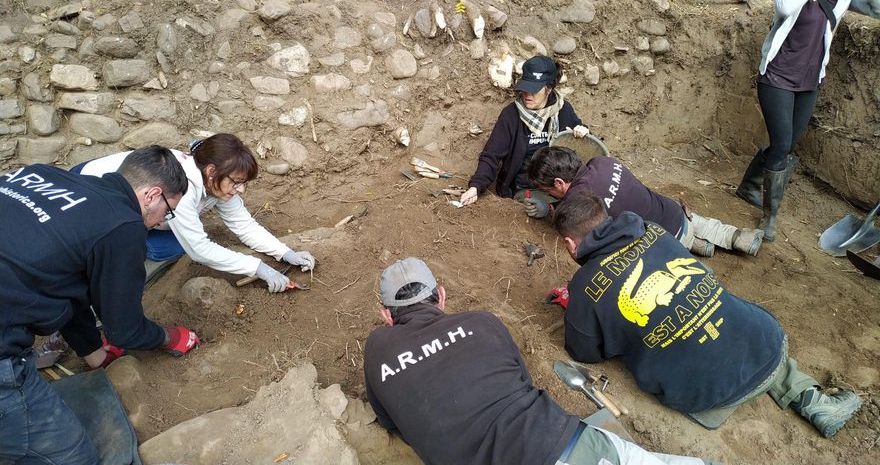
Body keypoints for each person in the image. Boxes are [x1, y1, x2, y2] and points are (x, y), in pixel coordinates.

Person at [551, 188, 862, 438]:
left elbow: (583, 352)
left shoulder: (586, 288)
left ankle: (786, 394)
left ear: (569, 243)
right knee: (734, 325)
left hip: (703, 394)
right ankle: (809, 397)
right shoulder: (653, 231)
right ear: (606, 217)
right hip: (766, 342)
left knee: (694, 346)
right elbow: (695, 274)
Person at [363, 257, 718, 465]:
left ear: (386, 314)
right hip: (554, 446)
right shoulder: (481, 322)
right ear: (440, 296)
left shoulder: (376, 350)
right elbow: (524, 382)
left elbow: (393, 425)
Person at [0, 146, 201, 463]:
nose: (163, 221)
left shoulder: (42, 173)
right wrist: (170, 337)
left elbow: (62, 282)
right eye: (168, 211)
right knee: (74, 456)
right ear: (152, 195)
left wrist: (93, 352)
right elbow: (125, 331)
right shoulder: (123, 226)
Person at [736, 0, 880, 241]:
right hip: (777, 77)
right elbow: (784, 8)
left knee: (788, 145)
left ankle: (749, 185)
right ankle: (770, 216)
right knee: (781, 146)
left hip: (809, 82)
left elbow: (878, 9)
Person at [76, 133, 316, 292]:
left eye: (244, 183)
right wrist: (258, 268)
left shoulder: (218, 182)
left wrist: (286, 253)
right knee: (126, 249)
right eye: (236, 182)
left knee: (173, 247)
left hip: (142, 212)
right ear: (212, 170)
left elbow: (244, 225)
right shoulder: (182, 186)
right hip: (86, 193)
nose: (241, 190)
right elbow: (199, 249)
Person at [528, 146, 763, 257]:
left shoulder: (577, 200)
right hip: (676, 213)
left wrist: (549, 210)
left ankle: (694, 248)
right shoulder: (602, 162)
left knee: (666, 244)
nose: (548, 194)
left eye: (547, 189)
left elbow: (577, 228)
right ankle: (733, 236)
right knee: (695, 222)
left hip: (664, 244)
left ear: (559, 182)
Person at [459, 55, 592, 217]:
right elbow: (491, 155)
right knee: (543, 209)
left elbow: (584, 151)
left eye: (534, 90)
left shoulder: (563, 111)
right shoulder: (511, 115)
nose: (527, 94)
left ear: (549, 89)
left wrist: (583, 133)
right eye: (525, 87)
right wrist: (476, 186)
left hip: (561, 185)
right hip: (526, 188)